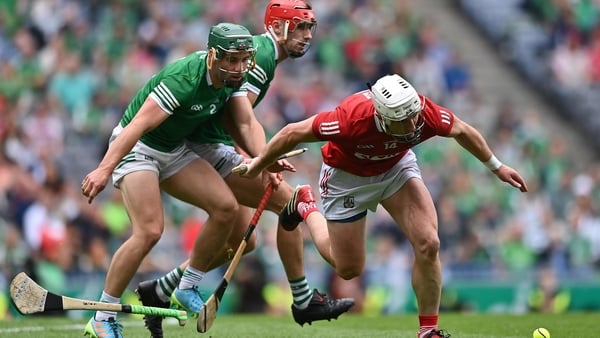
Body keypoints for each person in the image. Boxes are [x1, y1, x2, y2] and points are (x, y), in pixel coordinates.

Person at [238, 73, 529, 338]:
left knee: (429, 243)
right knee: (348, 268)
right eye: (402, 121)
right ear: (382, 116)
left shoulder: (422, 112)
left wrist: (497, 167)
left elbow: (462, 130)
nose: (413, 125)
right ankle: (305, 206)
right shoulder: (350, 118)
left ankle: (428, 331)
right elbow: (292, 132)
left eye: (413, 116)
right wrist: (260, 163)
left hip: (395, 169)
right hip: (346, 178)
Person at [135, 2, 354, 337]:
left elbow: (238, 115)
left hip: (210, 146)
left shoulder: (264, 55)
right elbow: (235, 117)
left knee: (242, 242)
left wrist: (261, 156)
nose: (307, 36)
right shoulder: (260, 56)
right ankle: (303, 299)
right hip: (208, 148)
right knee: (294, 203)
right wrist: (260, 158)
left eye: (310, 28)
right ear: (278, 26)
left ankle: (161, 290)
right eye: (300, 27)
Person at [80, 22, 260, 338]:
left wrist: (265, 157)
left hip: (174, 150)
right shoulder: (185, 78)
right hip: (137, 148)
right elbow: (136, 126)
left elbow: (243, 123)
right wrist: (104, 169)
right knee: (149, 231)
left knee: (226, 208)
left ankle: (186, 285)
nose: (239, 66)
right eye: (232, 59)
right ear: (213, 55)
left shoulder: (233, 80)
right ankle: (101, 316)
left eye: (244, 59)